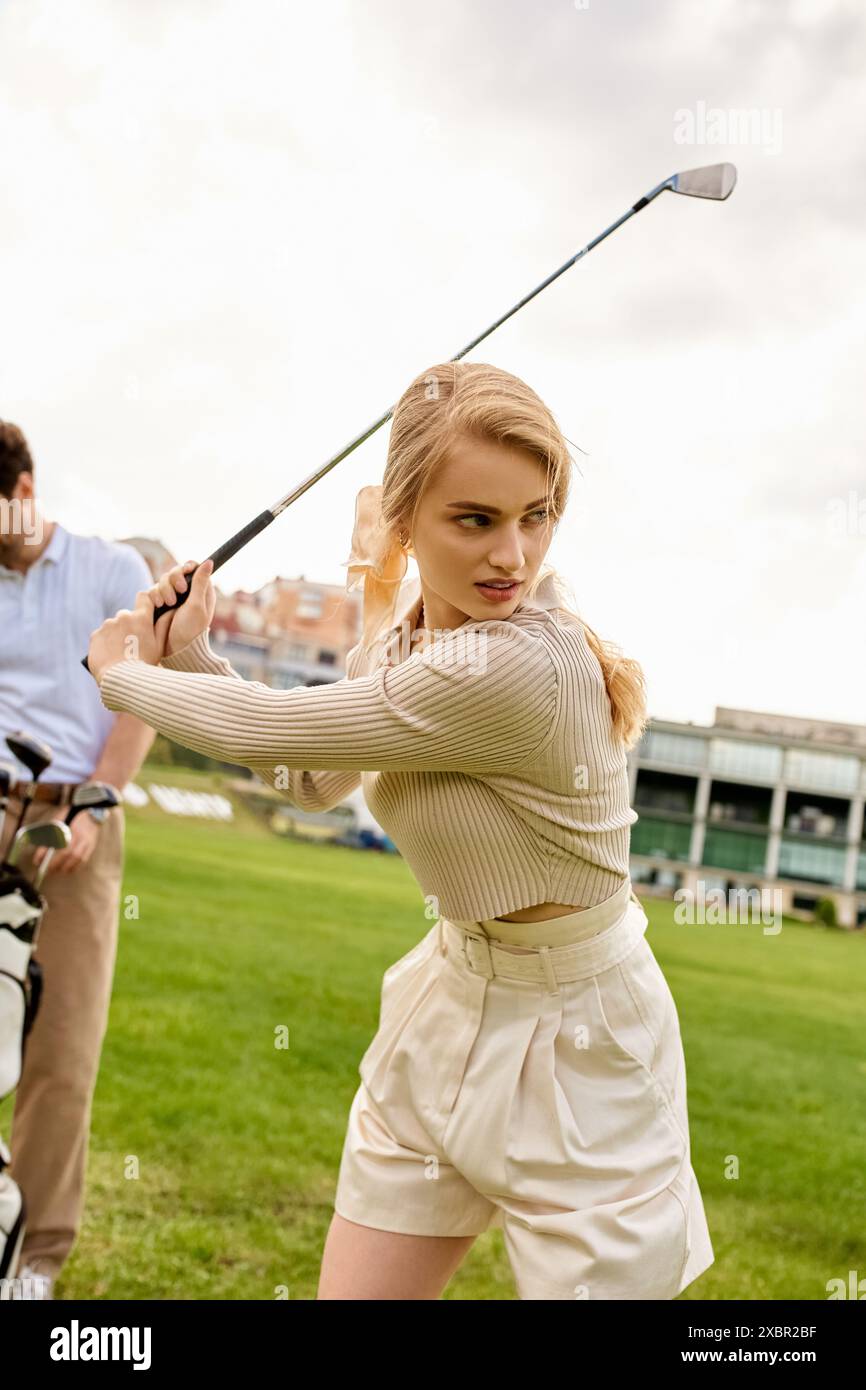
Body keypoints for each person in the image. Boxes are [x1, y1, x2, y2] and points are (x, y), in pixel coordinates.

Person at [84, 361, 715, 1301]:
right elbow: (311, 775)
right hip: (448, 1006)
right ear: (407, 519)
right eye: (476, 520)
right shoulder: (412, 636)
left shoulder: (515, 669)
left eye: (535, 516)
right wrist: (194, 653)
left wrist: (122, 670)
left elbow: (266, 729)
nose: (513, 555)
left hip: (589, 1048)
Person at [0, 420, 157, 1298]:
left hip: (76, 818)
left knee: (59, 1049)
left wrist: (99, 797)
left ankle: (35, 1258)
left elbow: (138, 701)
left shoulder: (110, 572)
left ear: (23, 490)